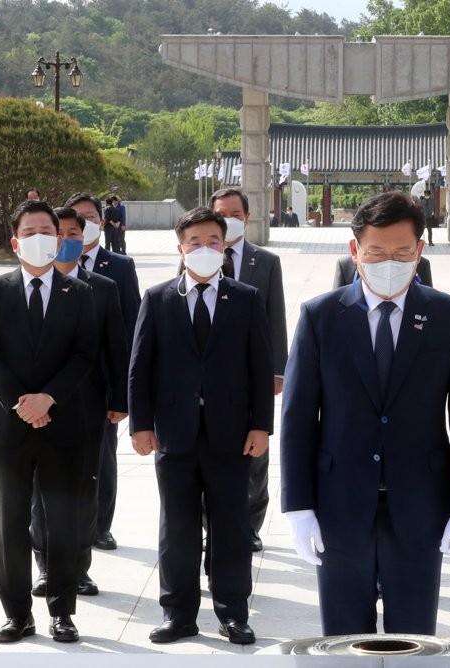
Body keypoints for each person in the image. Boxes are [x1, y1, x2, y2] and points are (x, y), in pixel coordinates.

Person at [281, 191, 450, 635]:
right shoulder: (320, 316)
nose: (387, 262)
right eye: (375, 252)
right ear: (355, 250)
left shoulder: (447, 315)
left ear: (420, 251)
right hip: (339, 504)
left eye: (401, 252)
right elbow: (298, 418)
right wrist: (298, 507)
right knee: (343, 639)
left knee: (413, 639)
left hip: (420, 505)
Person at [129, 207, 274, 645]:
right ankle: (178, 613)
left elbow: (259, 366)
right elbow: (140, 367)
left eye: (213, 241)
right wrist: (140, 424)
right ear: (181, 248)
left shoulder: (246, 298)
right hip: (174, 431)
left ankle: (233, 612)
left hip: (231, 434)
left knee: (232, 526)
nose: (204, 249)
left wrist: (261, 426)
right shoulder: (157, 298)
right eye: (195, 242)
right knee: (178, 527)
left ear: (225, 247)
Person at [0, 200, 97, 643]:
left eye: (49, 230)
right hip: (9, 426)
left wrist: (49, 399)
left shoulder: (79, 293)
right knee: (11, 522)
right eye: (30, 231)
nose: (41, 237)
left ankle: (62, 611)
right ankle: (17, 613)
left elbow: (85, 353)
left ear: (62, 238)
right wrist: (22, 403)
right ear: (15, 241)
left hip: (62, 423)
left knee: (62, 520)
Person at [29, 207, 128, 600]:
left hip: (89, 406)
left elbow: (116, 347)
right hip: (41, 408)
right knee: (40, 493)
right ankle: (44, 566)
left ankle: (78, 569)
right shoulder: (33, 284)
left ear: (84, 236)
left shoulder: (102, 288)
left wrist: (120, 399)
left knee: (83, 493)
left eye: (74, 232)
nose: (66, 238)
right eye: (60, 232)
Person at [210, 187, 288, 552]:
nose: (228, 220)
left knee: (255, 454)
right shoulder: (197, 254)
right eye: (220, 213)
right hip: (211, 375)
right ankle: (214, 526)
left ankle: (251, 525)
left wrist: (277, 371)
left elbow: (276, 319)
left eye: (234, 214)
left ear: (247, 217)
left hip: (253, 372)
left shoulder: (266, 262)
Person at [66, 192, 141, 551]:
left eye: (92, 216)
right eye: (78, 216)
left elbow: (131, 327)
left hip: (103, 381)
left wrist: (123, 390)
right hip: (63, 385)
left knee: (103, 459)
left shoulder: (120, 267)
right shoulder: (51, 266)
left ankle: (100, 525)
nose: (86, 222)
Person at [333, 254, 433, 289]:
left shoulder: (420, 264)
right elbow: (338, 305)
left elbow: (428, 305)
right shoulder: (345, 265)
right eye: (376, 252)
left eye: (402, 252)